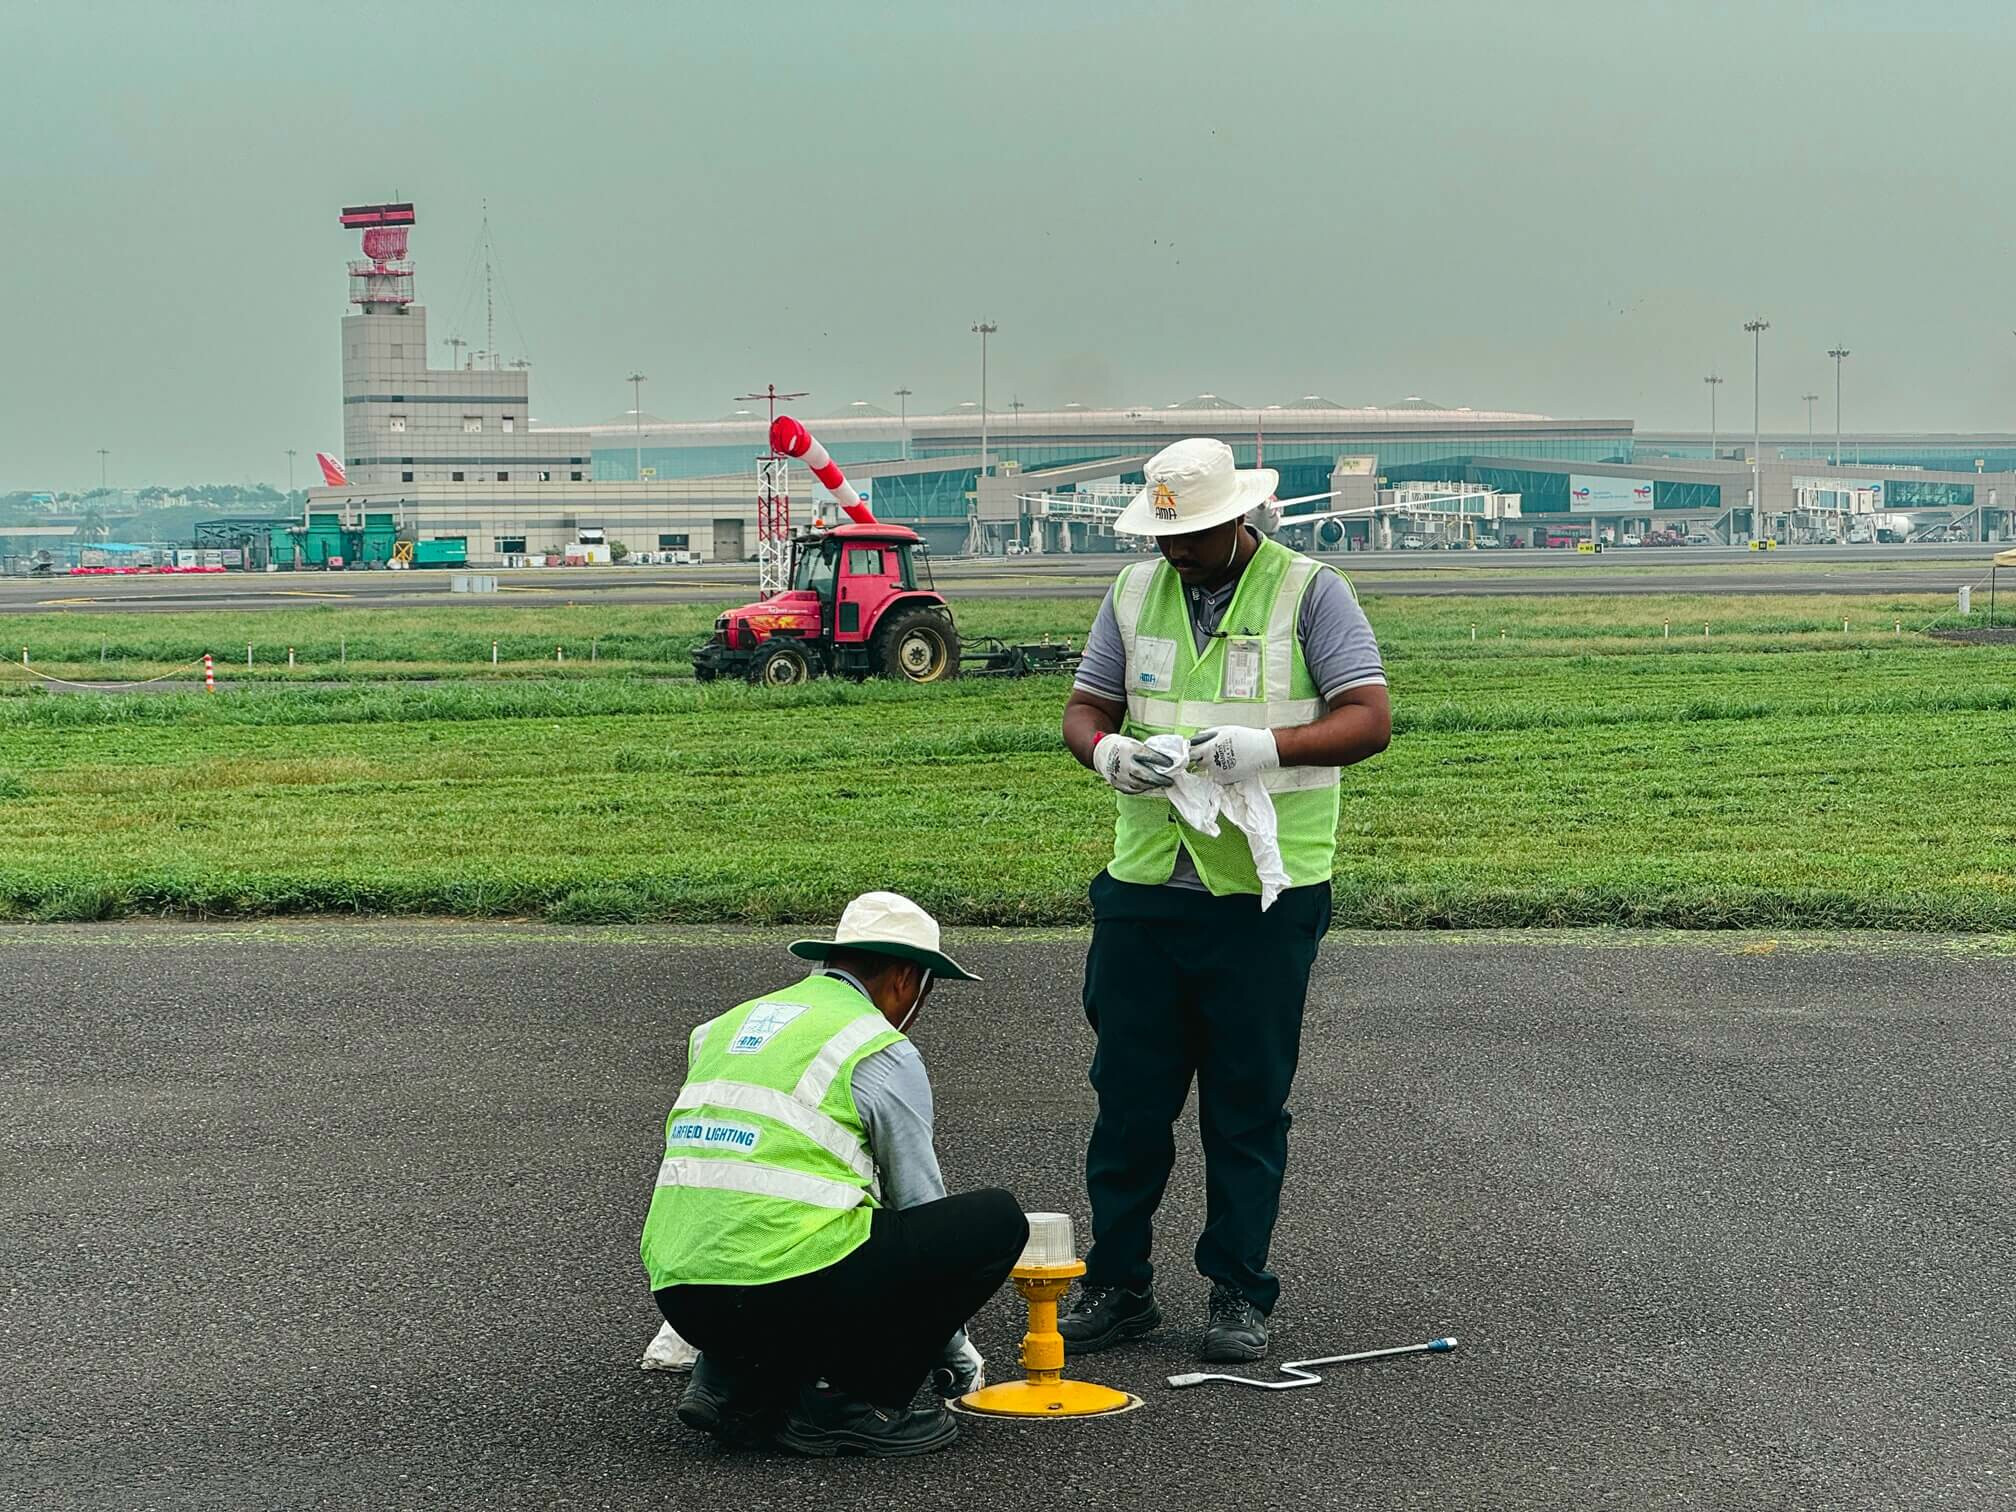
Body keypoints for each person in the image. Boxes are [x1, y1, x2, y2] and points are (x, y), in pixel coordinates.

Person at [1057, 437, 1392, 1364]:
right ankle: (1119, 1285)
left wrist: (1272, 749)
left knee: (1245, 1106)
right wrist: (1107, 753)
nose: (1178, 551)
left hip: (1261, 896)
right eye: (1165, 535)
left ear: (1237, 518)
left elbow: (1370, 718)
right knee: (1127, 1101)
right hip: (1145, 888)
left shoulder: (1310, 590)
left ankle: (1239, 1291)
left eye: (1195, 535)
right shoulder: (1131, 593)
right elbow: (1086, 709)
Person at [641, 891, 1028, 1457]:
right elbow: (918, 1201)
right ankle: (847, 1404)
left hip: (682, 1295)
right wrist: (951, 1350)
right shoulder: (878, 1049)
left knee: (809, 1226)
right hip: (777, 1292)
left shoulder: (722, 1027)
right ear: (904, 977)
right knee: (994, 1221)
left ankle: (739, 1379)